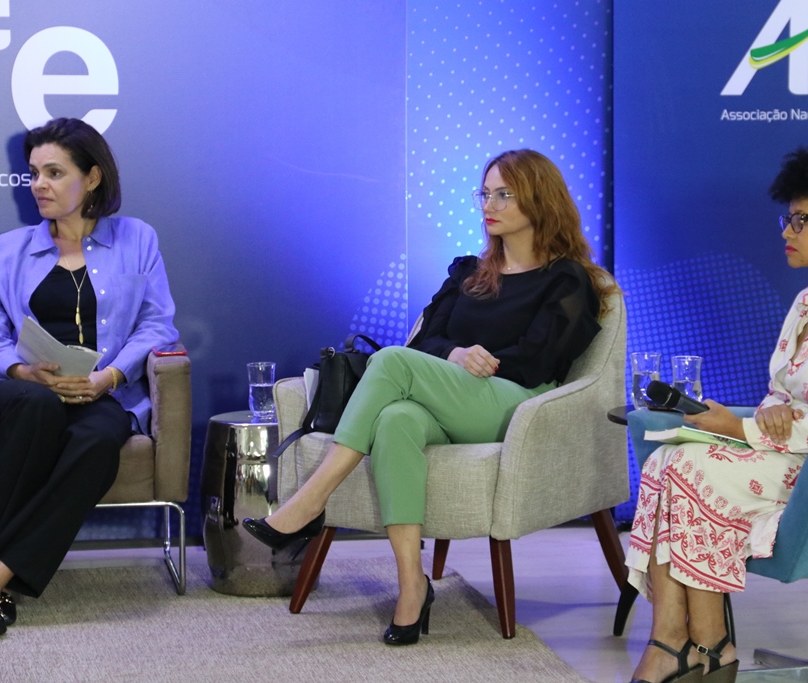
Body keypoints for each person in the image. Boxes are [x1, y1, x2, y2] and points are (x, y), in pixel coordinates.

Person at [243, 149, 618, 645]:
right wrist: (457, 355)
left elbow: (540, 361)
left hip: (517, 405)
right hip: (453, 397)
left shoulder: (567, 279)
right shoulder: (468, 272)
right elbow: (426, 342)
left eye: (504, 194)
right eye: (485, 193)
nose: (489, 204)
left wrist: (480, 363)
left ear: (539, 199)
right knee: (395, 420)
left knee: (391, 361)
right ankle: (412, 587)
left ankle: (310, 500)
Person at [624, 140, 808, 683]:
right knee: (666, 462)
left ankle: (702, 644)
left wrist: (741, 428)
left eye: (803, 220)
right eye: (788, 218)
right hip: (805, 451)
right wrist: (774, 414)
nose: (788, 230)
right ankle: (681, 640)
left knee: (691, 468)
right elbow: (782, 389)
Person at [0, 118, 179, 635]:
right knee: (36, 405)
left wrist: (110, 377)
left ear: (92, 177)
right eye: (34, 173)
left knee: (98, 441)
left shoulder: (137, 239)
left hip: (99, 391)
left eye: (54, 173)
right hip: (15, 392)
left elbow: (157, 324)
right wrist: (22, 370)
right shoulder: (5, 250)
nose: (39, 185)